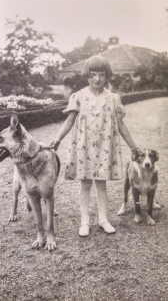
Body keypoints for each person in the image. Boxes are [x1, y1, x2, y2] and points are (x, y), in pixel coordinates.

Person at [49, 55, 138, 237]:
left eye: (101, 75)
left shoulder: (113, 99)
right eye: (93, 75)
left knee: (102, 184)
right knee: (85, 184)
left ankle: (103, 219)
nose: (97, 79)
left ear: (107, 76)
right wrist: (57, 139)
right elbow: (69, 120)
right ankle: (84, 221)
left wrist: (133, 147)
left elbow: (121, 125)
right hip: (84, 147)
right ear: (86, 75)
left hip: (105, 147)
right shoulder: (78, 97)